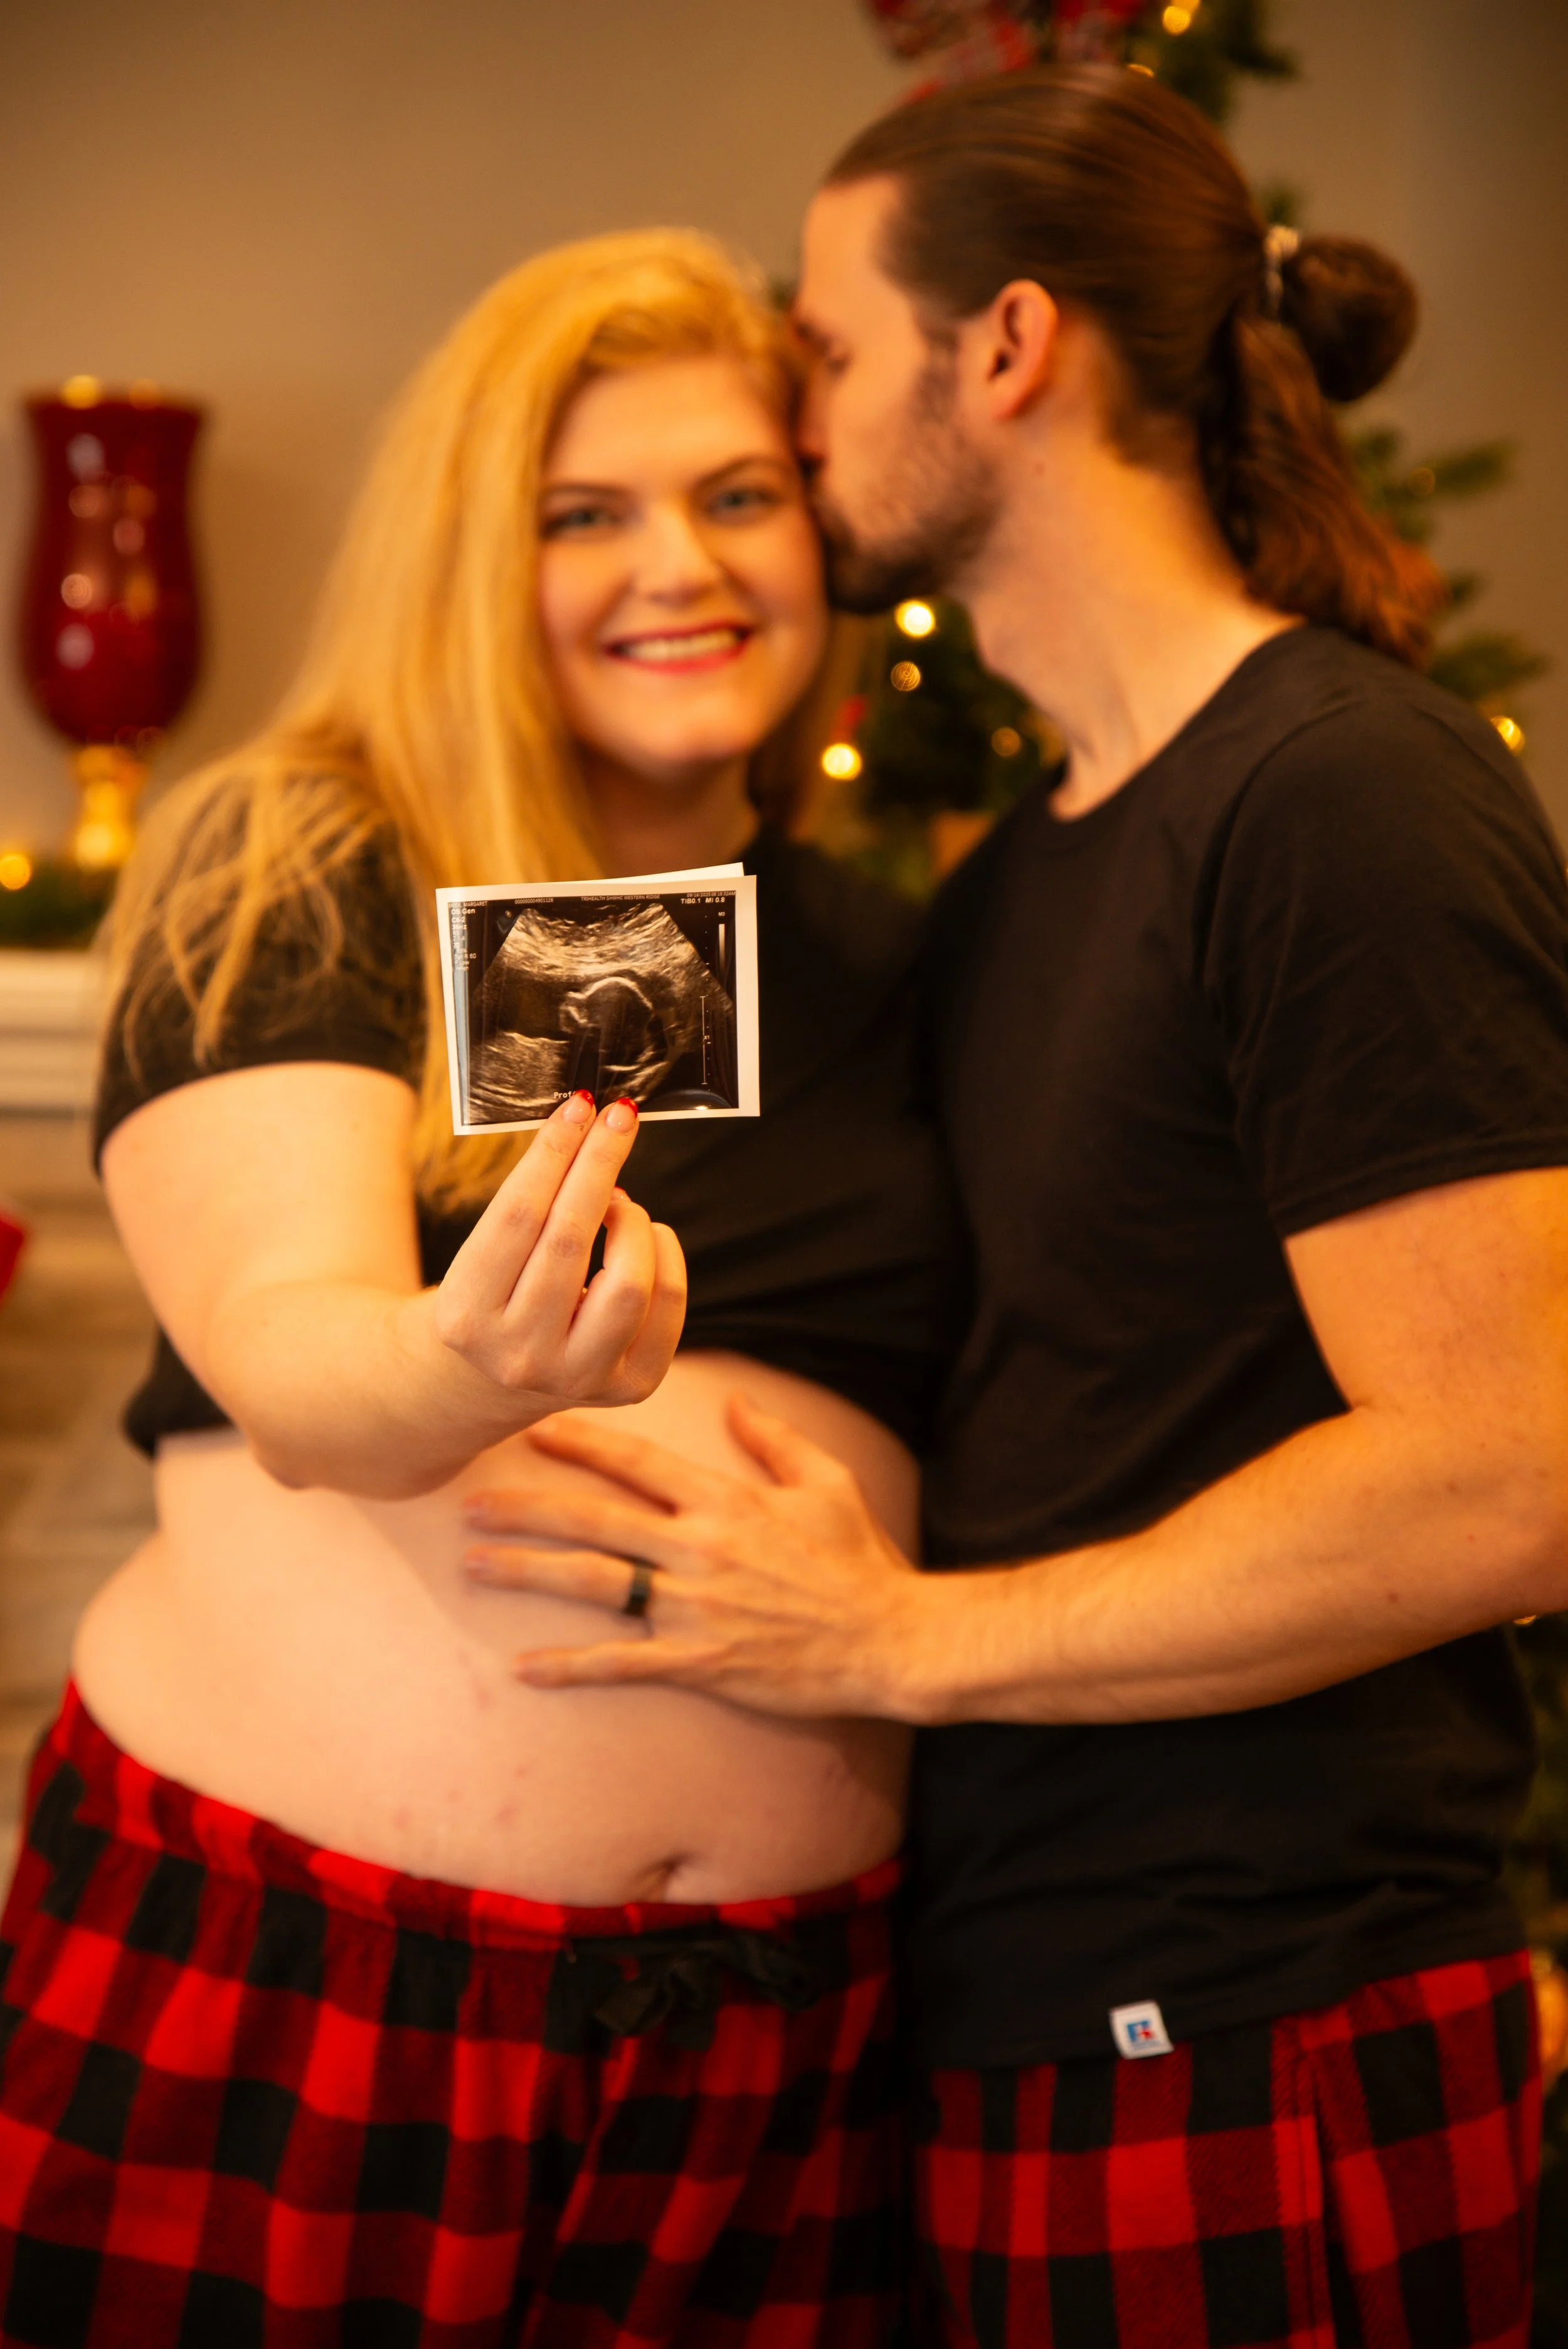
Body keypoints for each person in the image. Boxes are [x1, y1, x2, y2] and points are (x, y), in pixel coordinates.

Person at [459, 69, 1568, 2349]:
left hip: (1255, 2010)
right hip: (1021, 2001)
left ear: (1006, 351)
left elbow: (1516, 1471)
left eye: (833, 351)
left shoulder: (1337, 793)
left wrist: (888, 1643)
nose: (804, 400)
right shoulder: (1021, 868)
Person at [0, 231, 960, 2345]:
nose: (678, 567)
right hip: (297, 1980)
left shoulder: (896, 955)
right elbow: (297, 1371)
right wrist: (462, 1363)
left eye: (734, 495)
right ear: (470, 551)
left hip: (780, 2042)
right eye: (581, 515)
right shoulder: (306, 845)